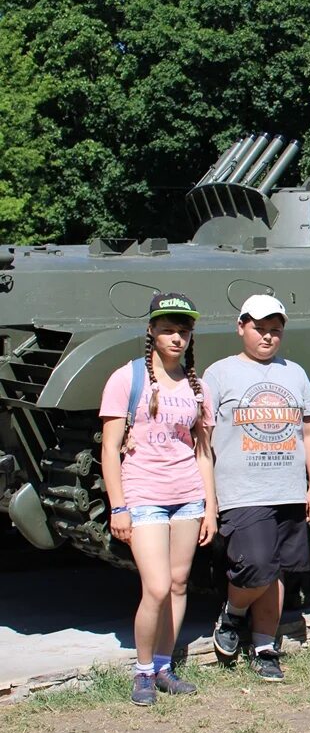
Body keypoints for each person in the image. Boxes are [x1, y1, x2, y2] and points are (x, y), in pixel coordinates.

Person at [100, 292, 215, 706]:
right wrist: (118, 506)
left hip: (187, 495)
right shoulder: (126, 378)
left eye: (182, 330)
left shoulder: (197, 386)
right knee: (157, 586)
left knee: (180, 583)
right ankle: (143, 671)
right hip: (144, 492)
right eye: (167, 329)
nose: (176, 338)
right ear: (151, 331)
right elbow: (110, 448)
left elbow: (202, 451)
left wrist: (210, 507)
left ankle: (165, 666)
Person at [206, 295, 310, 682]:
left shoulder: (295, 373)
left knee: (278, 572)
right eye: (260, 328)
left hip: (288, 489)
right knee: (255, 565)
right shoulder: (219, 374)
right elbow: (202, 438)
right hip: (241, 490)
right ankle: (233, 614)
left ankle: (263, 646)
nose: (268, 337)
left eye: (275, 330)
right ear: (241, 327)